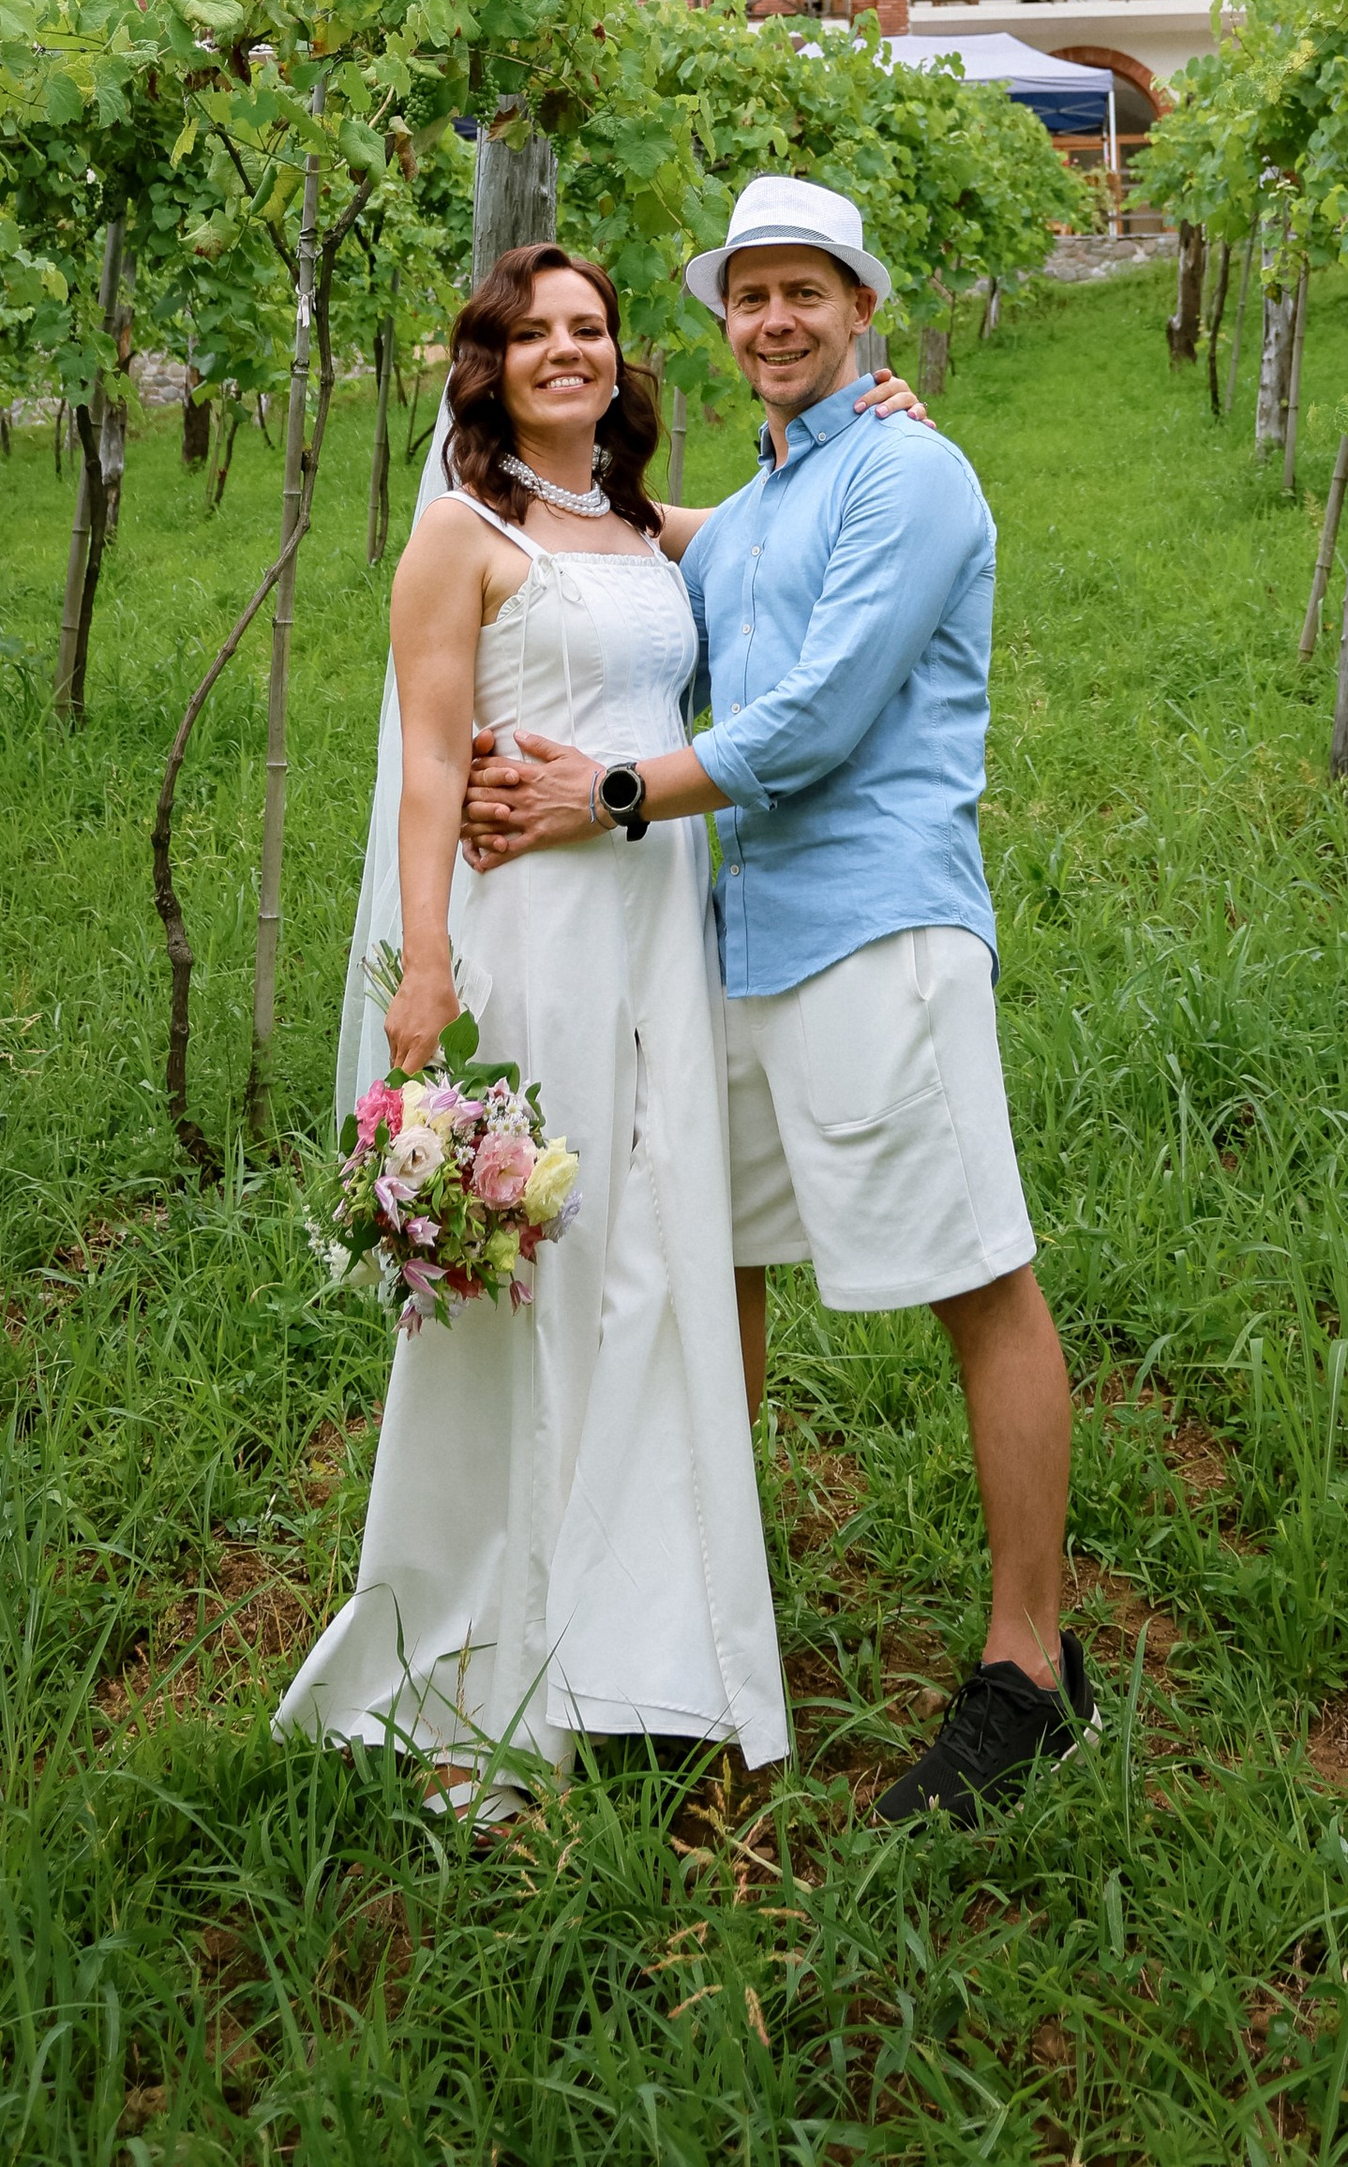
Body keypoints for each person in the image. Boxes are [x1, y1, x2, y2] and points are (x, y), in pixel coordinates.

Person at [273, 239, 931, 1817]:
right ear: (489, 367)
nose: (568, 352)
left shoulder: (644, 527)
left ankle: (643, 1633)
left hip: (661, 930)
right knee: (551, 1276)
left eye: (592, 330)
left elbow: (790, 539)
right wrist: (425, 971)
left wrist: (868, 414)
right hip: (535, 936)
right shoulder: (461, 533)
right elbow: (432, 770)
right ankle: (492, 1640)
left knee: (656, 1259)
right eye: (535, 334)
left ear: (620, 358)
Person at [463, 175, 1088, 1827]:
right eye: (751, 298)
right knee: (709, 1263)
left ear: (862, 308)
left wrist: (600, 791)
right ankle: (688, 1618)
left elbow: (806, 726)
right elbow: (675, 554)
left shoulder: (914, 473)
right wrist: (506, 483)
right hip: (744, 949)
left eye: (808, 292)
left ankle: (1032, 1670)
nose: (777, 322)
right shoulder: (777, 484)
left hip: (880, 935)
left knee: (975, 1273)